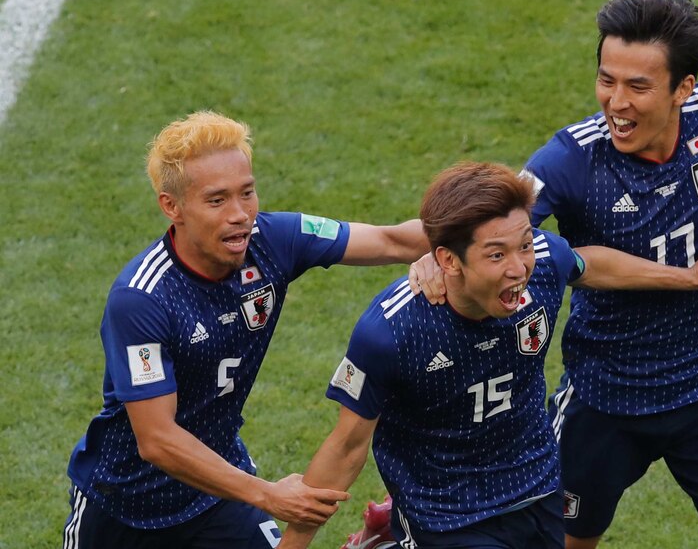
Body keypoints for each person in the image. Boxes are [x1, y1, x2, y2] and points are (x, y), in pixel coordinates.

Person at [277, 162, 698, 549]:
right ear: (447, 259)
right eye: (495, 255)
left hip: (537, 490)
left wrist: (692, 276)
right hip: (449, 514)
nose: (518, 270)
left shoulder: (543, 268)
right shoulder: (391, 332)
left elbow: (587, 263)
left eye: (524, 245)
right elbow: (345, 448)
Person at [63, 110, 432, 549]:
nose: (241, 215)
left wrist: (457, 246)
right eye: (217, 201)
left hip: (218, 493)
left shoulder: (275, 240)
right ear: (172, 206)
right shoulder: (142, 299)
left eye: (248, 193)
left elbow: (395, 240)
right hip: (123, 507)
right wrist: (271, 495)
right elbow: (157, 441)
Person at [519, 0, 698, 549]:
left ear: (683, 88)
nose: (616, 103)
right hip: (605, 397)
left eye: (638, 86)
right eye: (607, 80)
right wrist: (436, 257)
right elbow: (499, 228)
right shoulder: (570, 158)